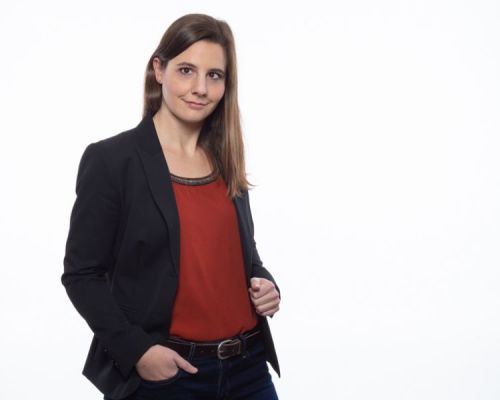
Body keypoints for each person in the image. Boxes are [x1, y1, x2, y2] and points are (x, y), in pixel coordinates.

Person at [61, 13, 282, 400]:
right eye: (186, 70)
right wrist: (137, 351)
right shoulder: (113, 161)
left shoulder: (226, 159)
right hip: (169, 376)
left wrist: (264, 282)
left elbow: (240, 254)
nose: (201, 88)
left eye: (215, 75)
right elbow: (82, 275)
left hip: (248, 369)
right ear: (159, 69)